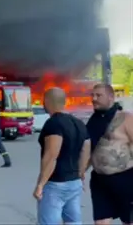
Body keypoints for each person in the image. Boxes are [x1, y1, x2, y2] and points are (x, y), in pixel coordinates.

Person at [33, 88, 90, 225]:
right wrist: (81, 173)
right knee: (73, 221)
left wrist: (41, 184)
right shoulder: (79, 123)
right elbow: (86, 149)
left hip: (55, 184)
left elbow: (52, 155)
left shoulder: (53, 123)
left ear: (46, 102)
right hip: (74, 182)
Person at [84, 83, 132, 225]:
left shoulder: (126, 118)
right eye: (92, 95)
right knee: (101, 222)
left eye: (99, 95)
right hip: (100, 180)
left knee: (128, 221)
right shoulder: (93, 121)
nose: (94, 98)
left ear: (111, 97)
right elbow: (89, 150)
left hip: (126, 178)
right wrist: (79, 173)